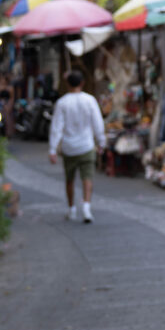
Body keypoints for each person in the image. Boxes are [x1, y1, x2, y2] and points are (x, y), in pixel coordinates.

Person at [48, 69, 106, 224]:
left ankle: (71, 208)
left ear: (67, 83)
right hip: (87, 146)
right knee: (87, 177)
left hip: (69, 147)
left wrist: (53, 149)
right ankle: (86, 207)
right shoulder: (90, 100)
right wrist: (101, 142)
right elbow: (98, 123)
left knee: (70, 179)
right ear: (82, 83)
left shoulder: (62, 102)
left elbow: (56, 127)